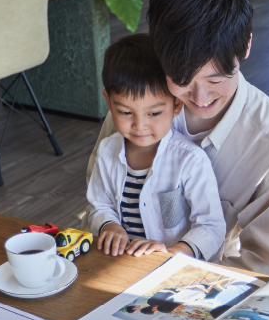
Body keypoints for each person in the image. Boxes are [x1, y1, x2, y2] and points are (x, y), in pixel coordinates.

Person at [86, 0, 269, 276]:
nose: (200, 99)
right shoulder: (138, 108)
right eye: (182, 79)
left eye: (216, 80)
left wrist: (177, 271)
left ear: (246, 47)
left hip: (207, 282)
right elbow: (99, 197)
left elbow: (265, 265)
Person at [87, 34, 225, 261]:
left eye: (154, 113)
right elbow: (99, 205)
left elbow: (211, 226)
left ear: (176, 105)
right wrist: (109, 225)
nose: (140, 125)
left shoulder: (190, 160)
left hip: (171, 268)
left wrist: (172, 253)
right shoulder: (106, 151)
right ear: (109, 103)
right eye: (125, 112)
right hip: (119, 263)